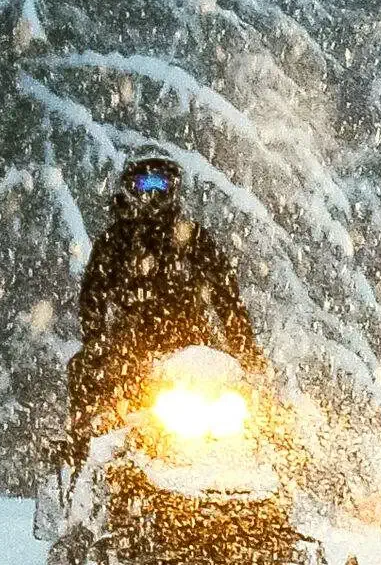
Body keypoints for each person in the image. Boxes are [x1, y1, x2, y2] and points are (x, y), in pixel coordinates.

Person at [63, 153, 263, 451]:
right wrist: (97, 340)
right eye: (145, 184)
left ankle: (266, 453)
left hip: (192, 342)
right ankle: (86, 449)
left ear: (174, 188)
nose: (153, 194)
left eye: (161, 184)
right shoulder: (116, 240)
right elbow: (92, 295)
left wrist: (246, 350)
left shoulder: (193, 238)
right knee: (86, 374)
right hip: (130, 342)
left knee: (246, 399)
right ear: (131, 188)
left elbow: (227, 296)